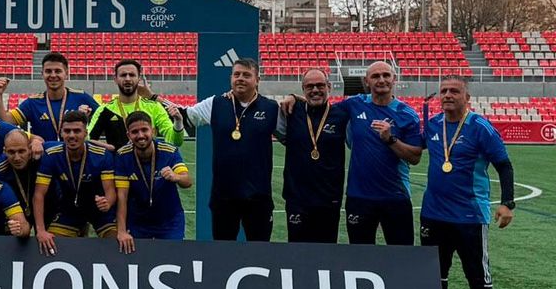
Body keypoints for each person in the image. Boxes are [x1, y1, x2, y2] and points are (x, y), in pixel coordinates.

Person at [420, 75, 516, 289]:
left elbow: (504, 165)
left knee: (476, 273)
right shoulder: (434, 125)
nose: (448, 95)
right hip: (433, 214)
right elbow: (414, 150)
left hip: (469, 216)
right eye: (444, 91)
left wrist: (507, 203)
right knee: (434, 274)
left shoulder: (480, 128)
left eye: (454, 91)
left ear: (467, 97)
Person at [287, 61, 422, 245]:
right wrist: (294, 97)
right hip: (359, 197)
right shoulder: (354, 104)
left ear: (394, 79)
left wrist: (391, 139)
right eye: (375, 76)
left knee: (401, 255)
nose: (381, 80)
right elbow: (319, 101)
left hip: (395, 196)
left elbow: (415, 157)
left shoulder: (408, 115)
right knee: (359, 257)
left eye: (386, 75)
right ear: (367, 81)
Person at [177, 58, 280, 242]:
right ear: (231, 78)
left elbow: (291, 133)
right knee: (223, 254)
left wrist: (296, 98)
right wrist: (153, 97)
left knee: (261, 253)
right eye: (236, 74)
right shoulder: (215, 103)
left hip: (258, 197)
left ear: (257, 80)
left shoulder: (271, 108)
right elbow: (185, 115)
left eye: (247, 75)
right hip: (224, 197)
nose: (240, 78)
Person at [277, 69, 350, 243]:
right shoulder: (292, 111)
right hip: (297, 198)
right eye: (310, 86)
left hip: (329, 198)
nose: (315, 90)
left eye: (320, 85)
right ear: (303, 89)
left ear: (329, 87)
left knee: (326, 252)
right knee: (296, 251)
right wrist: (293, 97)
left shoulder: (341, 115)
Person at [33, 110, 118, 256]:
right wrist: (40, 231)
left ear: (85, 133)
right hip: (69, 209)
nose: (72, 135)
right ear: (61, 132)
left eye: (77, 131)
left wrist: (108, 202)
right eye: (67, 131)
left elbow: (110, 190)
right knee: (52, 246)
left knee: (116, 242)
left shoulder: (102, 156)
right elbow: (39, 195)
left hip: (99, 210)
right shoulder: (51, 155)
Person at [115, 112, 192, 251]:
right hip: (138, 222)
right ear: (128, 135)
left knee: (173, 258)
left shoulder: (169, 151)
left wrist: (176, 176)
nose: (140, 135)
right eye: (134, 132)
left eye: (144, 130)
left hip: (169, 220)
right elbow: (122, 196)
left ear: (153, 131)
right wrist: (121, 231)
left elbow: (187, 181)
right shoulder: (122, 156)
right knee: (139, 261)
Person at [0, 52, 98, 142]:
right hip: (44, 159)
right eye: (48, 71)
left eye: (58, 71)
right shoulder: (33, 102)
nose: (53, 75)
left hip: (74, 158)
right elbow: (5, 121)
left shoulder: (81, 97)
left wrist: (86, 120)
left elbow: (105, 120)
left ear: (66, 74)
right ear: (42, 74)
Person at [88, 59, 185, 149]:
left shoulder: (154, 107)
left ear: (139, 78)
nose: (127, 78)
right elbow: (88, 140)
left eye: (132, 75)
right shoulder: (105, 109)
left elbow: (174, 142)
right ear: (115, 79)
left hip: (148, 165)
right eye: (123, 75)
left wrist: (178, 121)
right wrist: (110, 149)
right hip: (118, 165)